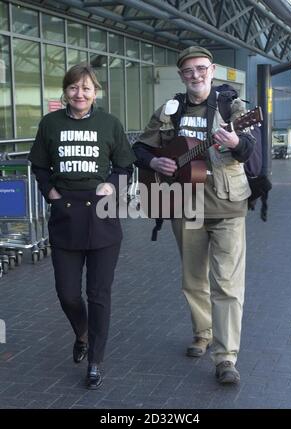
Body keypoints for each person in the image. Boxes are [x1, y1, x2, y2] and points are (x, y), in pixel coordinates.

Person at [133, 46, 255, 384]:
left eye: (201, 68)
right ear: (182, 75)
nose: (195, 75)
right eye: (188, 71)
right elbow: (140, 147)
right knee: (193, 279)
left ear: (212, 70)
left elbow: (248, 149)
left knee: (228, 284)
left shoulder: (235, 107)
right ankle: (203, 332)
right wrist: (154, 161)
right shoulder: (170, 111)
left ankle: (226, 357)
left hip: (227, 206)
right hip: (184, 205)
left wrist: (234, 141)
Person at [29, 63, 135, 390]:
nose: (80, 93)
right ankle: (82, 332)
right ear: (66, 90)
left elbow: (125, 164)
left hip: (102, 219)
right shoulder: (50, 124)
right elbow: (40, 166)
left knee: (99, 294)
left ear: (95, 92)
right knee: (68, 293)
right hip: (66, 218)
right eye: (74, 87)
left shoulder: (109, 124)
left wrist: (113, 185)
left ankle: (95, 361)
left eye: (87, 88)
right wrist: (51, 193)